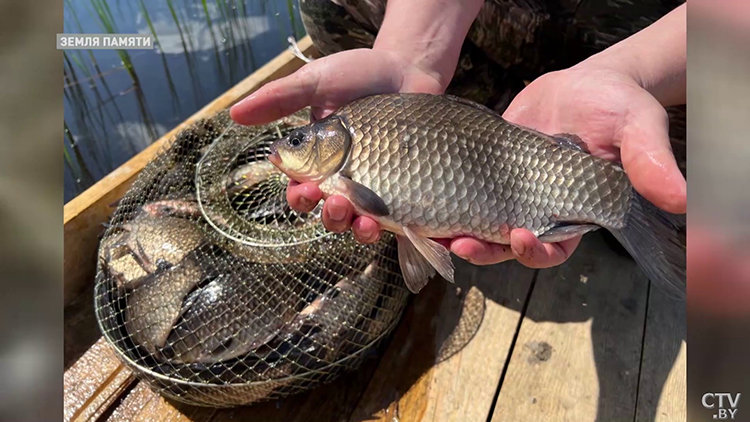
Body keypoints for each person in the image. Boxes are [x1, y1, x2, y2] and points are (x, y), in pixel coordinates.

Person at [230, 0, 686, 269]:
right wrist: (410, 53)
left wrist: (634, 71)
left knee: (667, 187)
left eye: (299, 141)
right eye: (298, 141)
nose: (290, 148)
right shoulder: (348, 156)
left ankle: (628, 209)